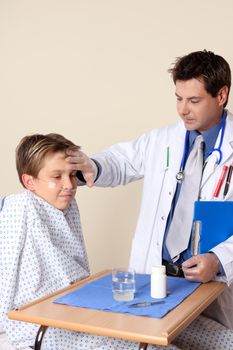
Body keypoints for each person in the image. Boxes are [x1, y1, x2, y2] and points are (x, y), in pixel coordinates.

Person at [65, 50, 233, 346]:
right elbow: (121, 161)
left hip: (210, 281)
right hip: (157, 274)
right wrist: (91, 165)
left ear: (221, 95)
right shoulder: (163, 140)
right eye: (178, 98)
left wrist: (219, 259)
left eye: (194, 100)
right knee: (149, 342)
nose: (183, 110)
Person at [0, 133, 187, 350]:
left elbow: (77, 267)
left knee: (178, 331)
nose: (69, 184)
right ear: (29, 181)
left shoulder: (68, 208)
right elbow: (5, 271)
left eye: (72, 175)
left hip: (75, 306)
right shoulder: (19, 208)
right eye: (57, 176)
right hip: (38, 323)